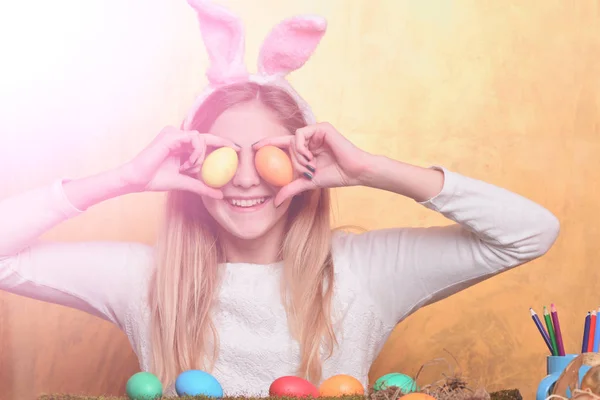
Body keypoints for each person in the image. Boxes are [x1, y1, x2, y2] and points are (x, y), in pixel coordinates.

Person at [0, 0, 560, 397]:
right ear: (191, 166)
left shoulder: (362, 273)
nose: (246, 179)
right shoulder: (148, 279)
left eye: (269, 155)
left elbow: (531, 232)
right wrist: (124, 179)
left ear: (307, 162)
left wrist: (371, 170)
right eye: (225, 157)